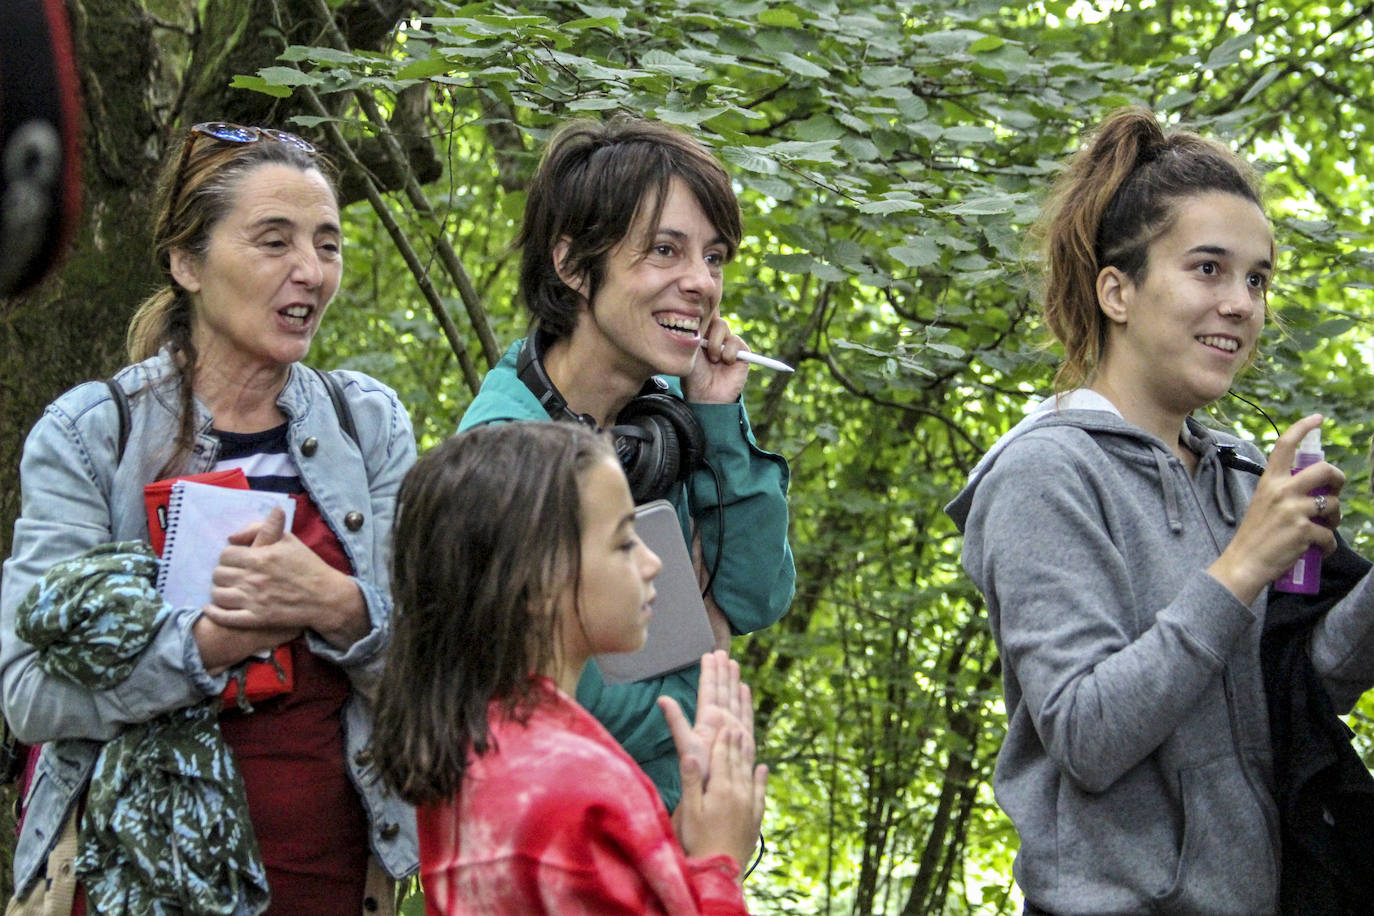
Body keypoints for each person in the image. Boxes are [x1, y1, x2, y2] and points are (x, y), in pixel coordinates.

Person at [944, 107, 1374, 915]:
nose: (1242, 303)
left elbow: (1302, 692)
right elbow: (1086, 734)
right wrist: (1242, 567)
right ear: (1118, 290)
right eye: (1209, 269)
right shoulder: (1044, 474)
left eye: (1257, 279)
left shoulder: (1239, 473)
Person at [1, 122, 418, 915]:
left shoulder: (367, 427)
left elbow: (436, 672)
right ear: (187, 263)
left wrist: (334, 605)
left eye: (327, 244)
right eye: (274, 241)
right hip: (123, 885)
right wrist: (204, 647)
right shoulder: (92, 435)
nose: (311, 271)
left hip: (328, 880)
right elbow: (28, 694)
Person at [458, 115, 795, 807]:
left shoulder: (665, 419)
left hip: (676, 827)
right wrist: (708, 677)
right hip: (572, 829)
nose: (702, 283)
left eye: (714, 257)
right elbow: (564, 706)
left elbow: (758, 595)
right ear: (573, 265)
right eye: (666, 250)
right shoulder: (505, 451)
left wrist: (717, 418)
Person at [372, 422, 767, 914]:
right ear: (535, 580)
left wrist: (672, 852)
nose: (653, 563)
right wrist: (718, 862)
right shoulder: (577, 787)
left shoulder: (472, 741)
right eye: (624, 542)